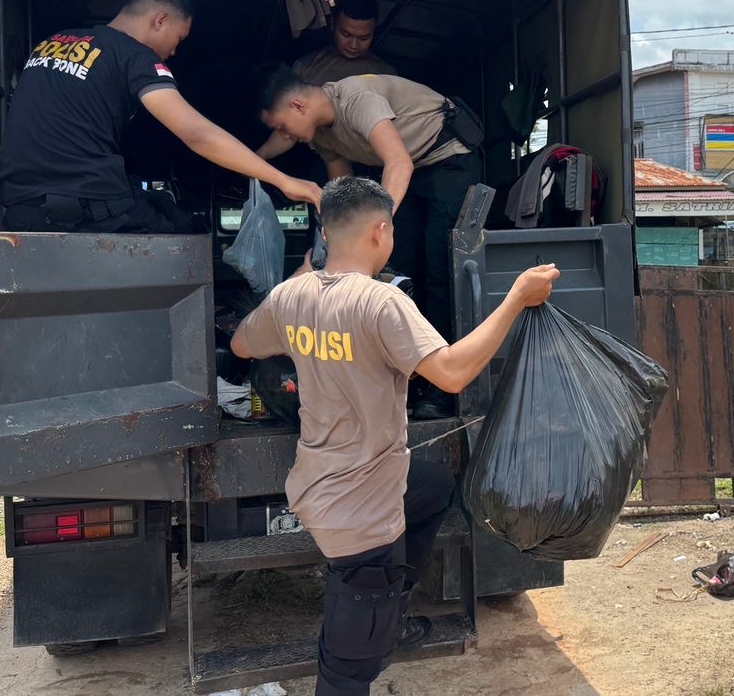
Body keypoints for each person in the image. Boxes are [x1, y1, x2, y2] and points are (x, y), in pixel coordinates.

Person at [230, 176, 558, 696]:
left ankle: (394, 613)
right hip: (359, 513)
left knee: (432, 488)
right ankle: (377, 624)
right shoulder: (382, 303)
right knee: (346, 671)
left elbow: (243, 344)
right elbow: (451, 373)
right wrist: (517, 297)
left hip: (321, 481)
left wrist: (295, 302)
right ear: (381, 231)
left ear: (326, 230)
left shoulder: (290, 296)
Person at [0, 0, 322, 233]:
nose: (175, 52)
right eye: (178, 39)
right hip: (85, 206)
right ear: (160, 20)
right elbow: (196, 133)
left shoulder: (52, 43)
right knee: (186, 230)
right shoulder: (135, 56)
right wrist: (282, 180)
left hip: (21, 208)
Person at [258, 68, 479, 341]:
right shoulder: (320, 136)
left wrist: (372, 225)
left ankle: (444, 364)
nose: (285, 136)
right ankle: (408, 359)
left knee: (440, 264)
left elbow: (399, 162)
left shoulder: (356, 99)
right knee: (399, 262)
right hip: (413, 170)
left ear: (297, 106)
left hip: (448, 159)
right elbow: (344, 190)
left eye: (281, 127)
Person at [256, 0, 396, 162]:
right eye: (346, 34)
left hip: (370, 160)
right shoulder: (306, 67)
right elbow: (287, 129)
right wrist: (260, 157)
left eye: (364, 38)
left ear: (375, 30)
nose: (353, 44)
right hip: (319, 158)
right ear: (332, 24)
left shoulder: (385, 74)